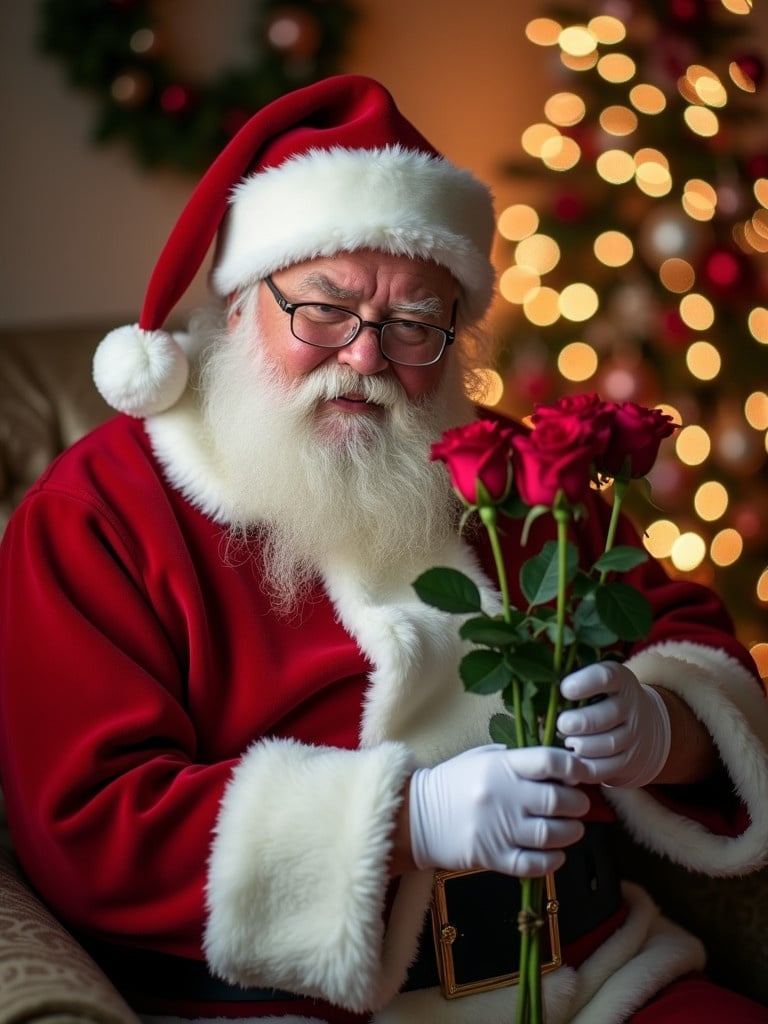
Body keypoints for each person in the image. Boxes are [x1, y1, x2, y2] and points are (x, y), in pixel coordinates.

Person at [1, 74, 768, 1024]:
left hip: (594, 975)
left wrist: (663, 728)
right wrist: (408, 821)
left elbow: (693, 639)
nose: (367, 357)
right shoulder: (98, 510)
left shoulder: (507, 465)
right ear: (240, 303)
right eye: (322, 310)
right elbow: (88, 825)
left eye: (414, 323)